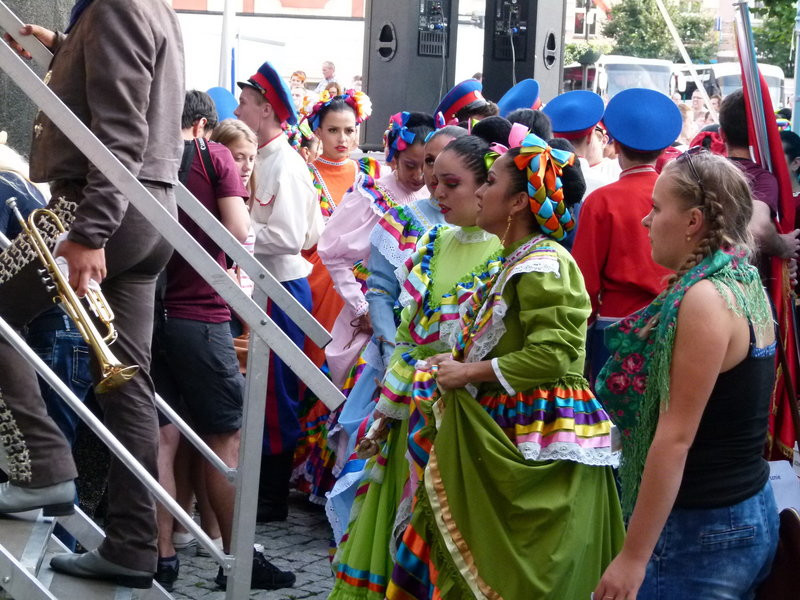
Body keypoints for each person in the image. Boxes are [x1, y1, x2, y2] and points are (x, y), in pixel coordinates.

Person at [387, 132, 623, 599]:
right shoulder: (515, 259)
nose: (478, 191)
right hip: (500, 423)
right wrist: (457, 360)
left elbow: (554, 354)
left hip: (534, 434)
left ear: (518, 201)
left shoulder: (544, 263)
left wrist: (468, 372)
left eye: (489, 182)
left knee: (524, 569)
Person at [0, 0, 183, 588]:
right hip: (149, 211)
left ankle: (43, 465)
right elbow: (127, 82)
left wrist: (91, 230)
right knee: (127, 382)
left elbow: (120, 131)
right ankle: (133, 544)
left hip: (98, 208)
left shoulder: (114, 5)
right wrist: (62, 46)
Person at [594, 150, 779, 599]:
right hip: (743, 512)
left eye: (657, 209)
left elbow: (675, 440)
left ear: (693, 221)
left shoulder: (704, 298)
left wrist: (632, 558)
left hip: (703, 529)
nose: (646, 221)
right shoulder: (742, 279)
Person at [329, 134, 505, 599]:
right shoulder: (431, 239)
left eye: (452, 182)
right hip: (412, 400)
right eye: (433, 175)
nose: (436, 190)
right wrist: (400, 365)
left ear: (486, 185)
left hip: (467, 411)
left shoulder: (509, 253)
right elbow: (400, 313)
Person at [150, 91, 272, 591]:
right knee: (225, 438)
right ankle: (238, 559)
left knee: (161, 439)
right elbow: (238, 230)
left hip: (150, 313)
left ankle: (161, 555)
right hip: (201, 313)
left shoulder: (148, 152)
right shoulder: (213, 155)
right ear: (203, 125)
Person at [325, 124, 466, 543]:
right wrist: (393, 352)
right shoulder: (404, 218)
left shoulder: (485, 228)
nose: (433, 177)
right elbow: (381, 290)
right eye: (429, 163)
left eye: (447, 168)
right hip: (395, 363)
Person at [299, 112, 433, 504]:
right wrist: (361, 305)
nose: (419, 176)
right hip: (366, 314)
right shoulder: (373, 195)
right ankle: (346, 489)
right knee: (358, 399)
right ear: (394, 157)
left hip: (412, 319)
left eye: (427, 165)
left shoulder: (433, 199)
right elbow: (331, 251)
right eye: (410, 165)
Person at [232, 60, 322, 557]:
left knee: (276, 393)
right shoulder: (268, 158)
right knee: (265, 390)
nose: (239, 108)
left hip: (281, 285)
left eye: (246, 102)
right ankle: (263, 489)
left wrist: (238, 232)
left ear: (266, 110)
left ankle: (271, 495)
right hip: (268, 284)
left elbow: (292, 236)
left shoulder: (284, 163)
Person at [572, 89, 682, 385]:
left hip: (615, 325)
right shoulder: (680, 198)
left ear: (616, 145)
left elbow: (585, 282)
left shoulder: (601, 201)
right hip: (672, 319)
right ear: (664, 148)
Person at [719, 89, 800, 272]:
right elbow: (759, 228)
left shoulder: (696, 168)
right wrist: (783, 247)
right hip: (738, 282)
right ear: (763, 134)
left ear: (721, 134)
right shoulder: (760, 178)